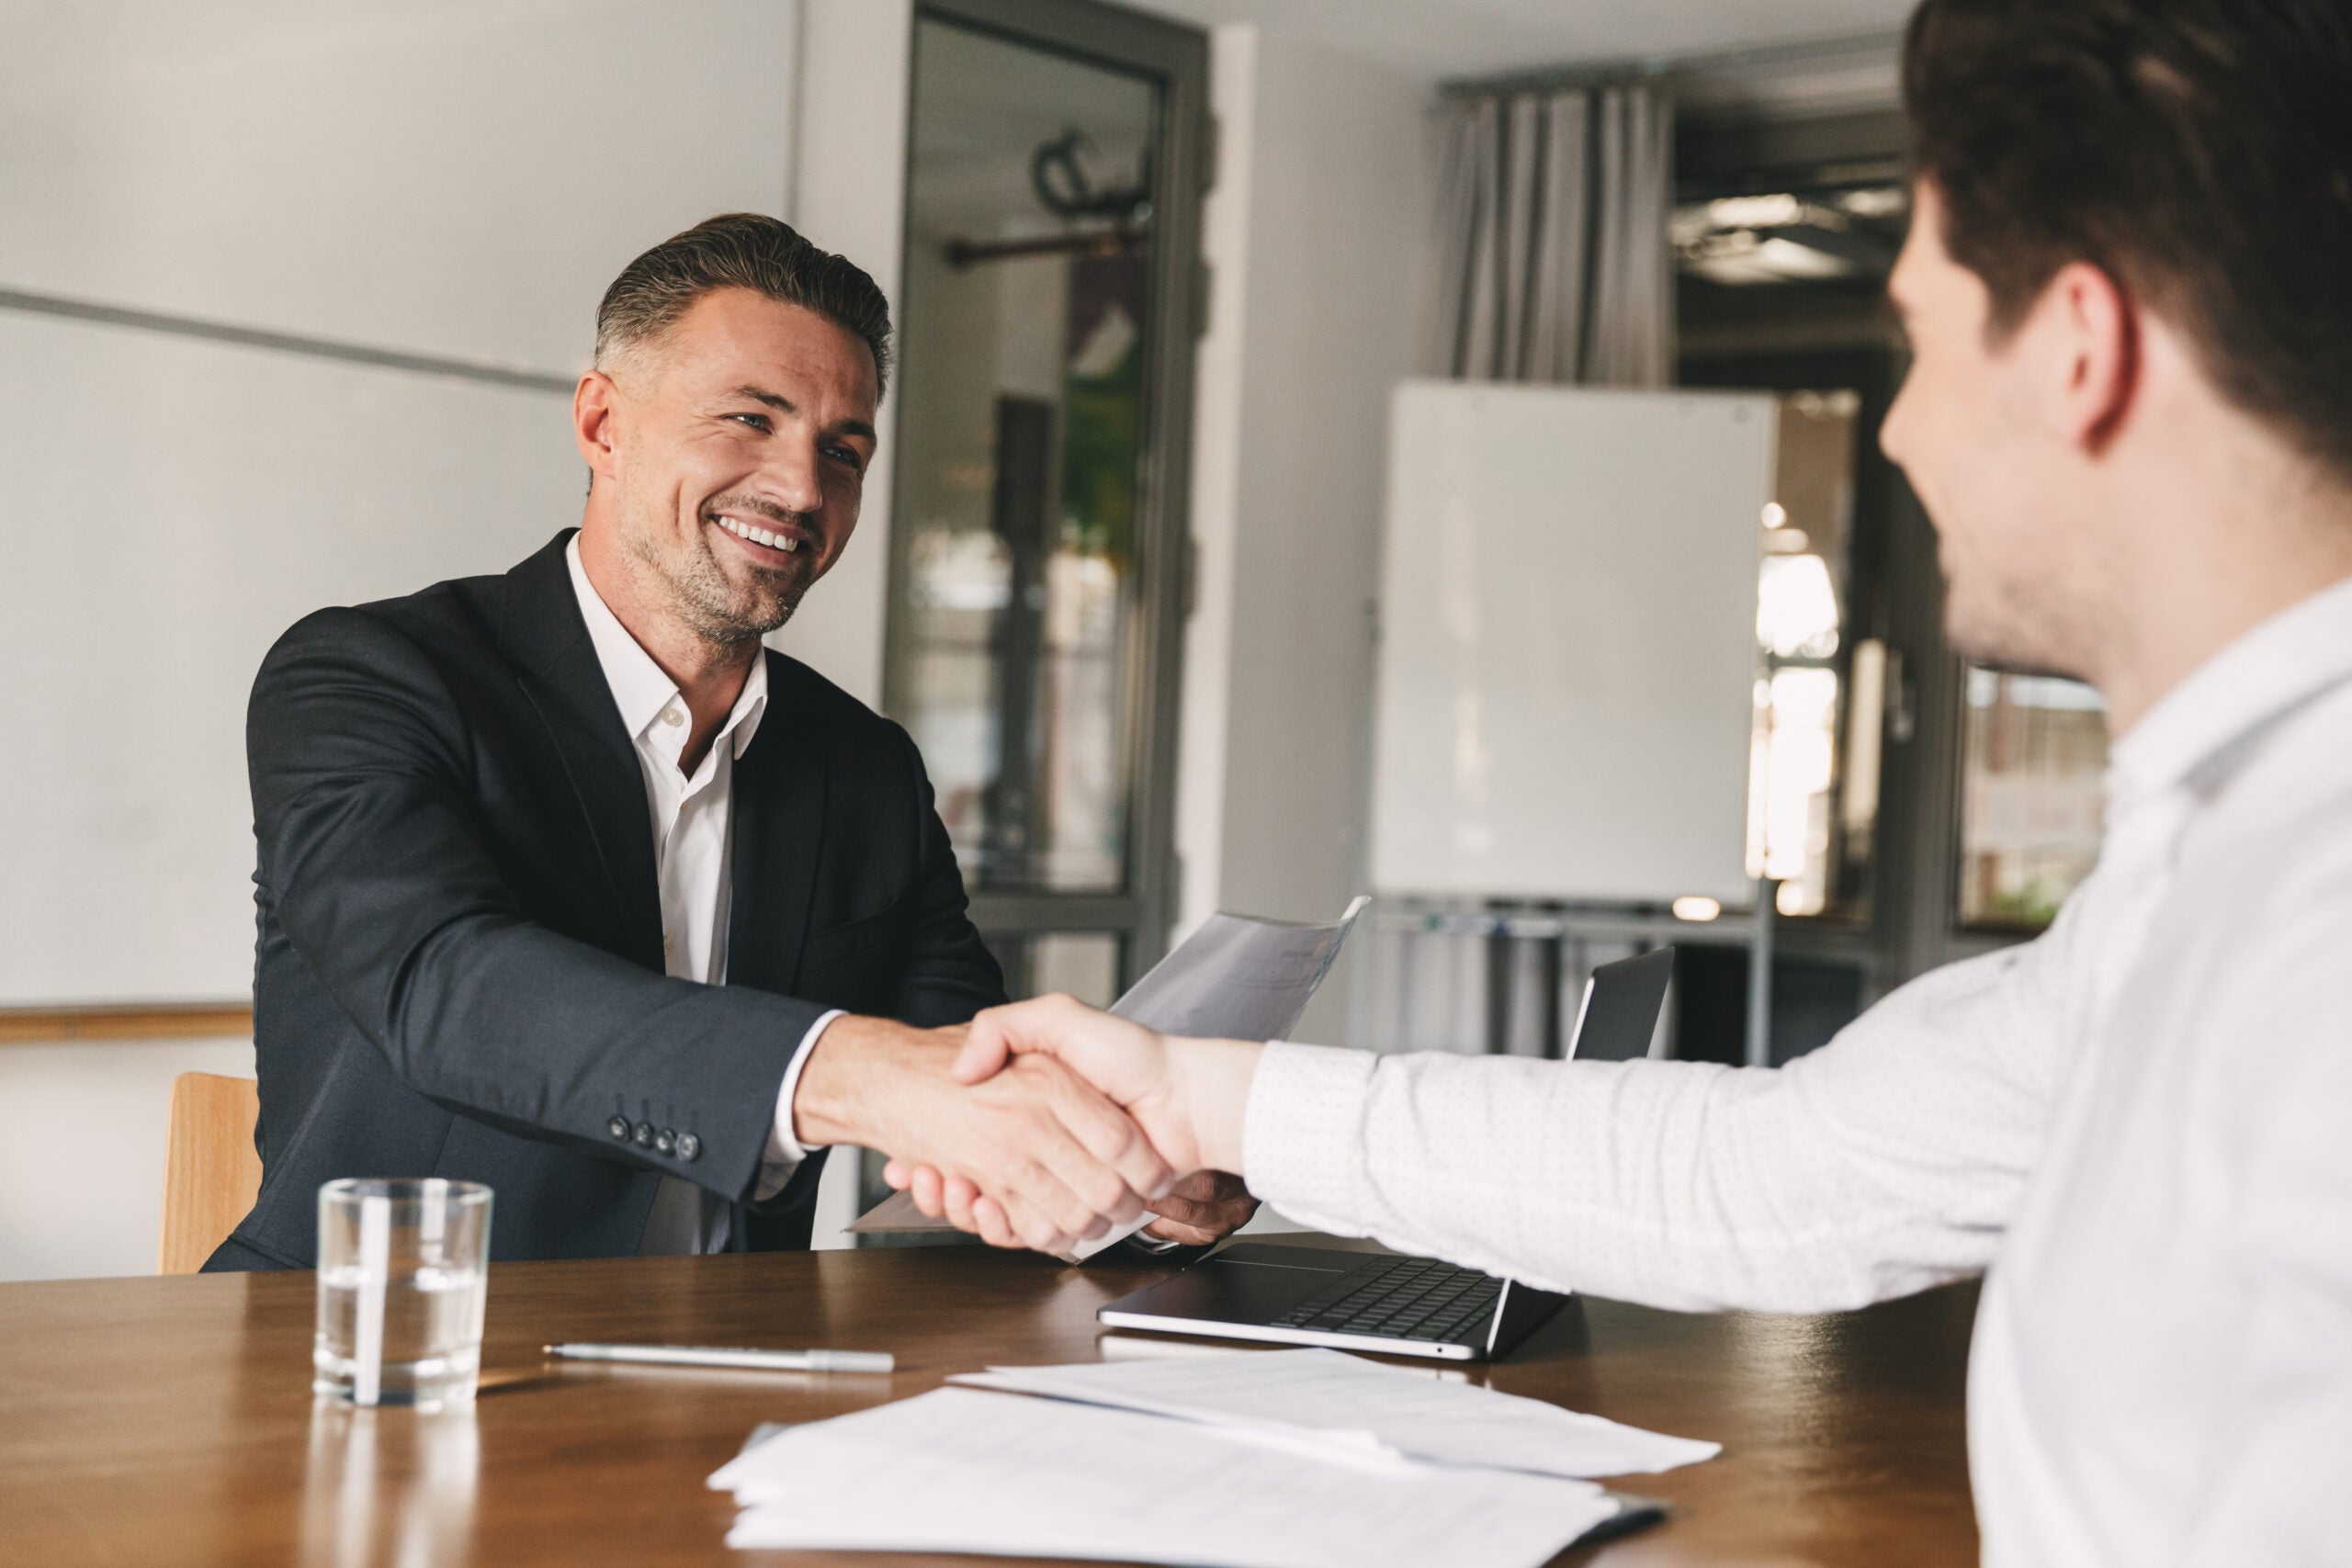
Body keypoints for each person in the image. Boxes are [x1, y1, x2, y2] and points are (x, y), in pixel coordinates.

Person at [889, 0, 2352, 1561]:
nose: (1906, 430)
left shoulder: (2308, 912)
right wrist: (1192, 1093)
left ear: (2080, 346)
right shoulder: (2220, 861)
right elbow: (1796, 1171)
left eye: (1920, 338)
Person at [210, 214, 1250, 1271]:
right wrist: (849, 1073)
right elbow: (444, 986)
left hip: (737, 1373)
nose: (802, 488)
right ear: (603, 423)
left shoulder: (865, 768)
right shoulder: (368, 675)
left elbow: (968, 1072)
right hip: (380, 1354)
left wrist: (1135, 1166)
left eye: (842, 452)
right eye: (750, 419)